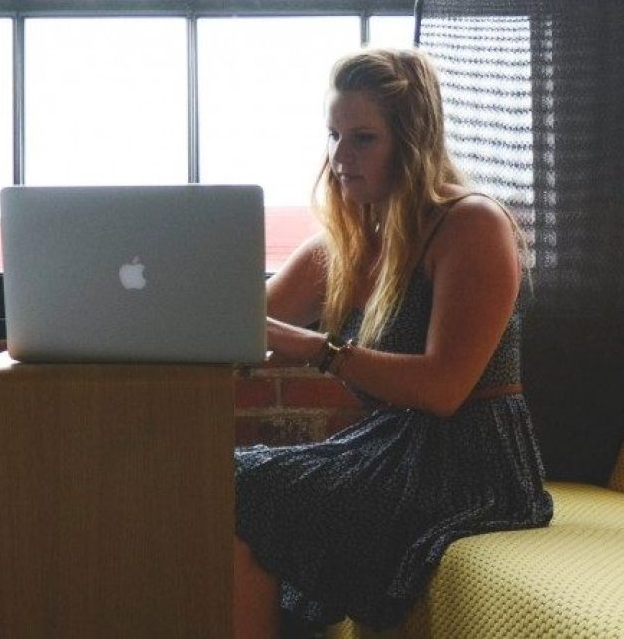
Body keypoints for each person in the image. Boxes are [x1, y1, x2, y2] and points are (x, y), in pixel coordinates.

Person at [233, 48, 554, 637]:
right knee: (222, 481)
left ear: (411, 143)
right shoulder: (348, 241)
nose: (338, 158)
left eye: (361, 139)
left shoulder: (471, 224)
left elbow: (444, 389)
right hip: (392, 447)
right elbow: (234, 327)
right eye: (333, 136)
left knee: (242, 486)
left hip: (475, 463)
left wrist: (316, 349)